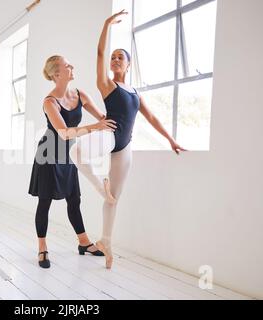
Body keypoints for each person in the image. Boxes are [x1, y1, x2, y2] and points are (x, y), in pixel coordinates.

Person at [69, 10, 187, 269]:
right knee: (76, 152)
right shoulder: (107, 85)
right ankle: (100, 185)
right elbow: (99, 54)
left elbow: (153, 118)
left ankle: (105, 243)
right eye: (113, 57)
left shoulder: (134, 92)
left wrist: (170, 139)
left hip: (125, 147)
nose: (114, 59)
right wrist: (106, 24)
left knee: (113, 199)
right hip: (110, 135)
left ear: (129, 63)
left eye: (120, 57)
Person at [28, 55, 117, 268]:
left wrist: (116, 115)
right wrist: (96, 127)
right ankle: (42, 248)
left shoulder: (79, 95)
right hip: (49, 155)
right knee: (45, 202)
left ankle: (83, 243)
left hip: (68, 155)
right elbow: (65, 133)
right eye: (68, 65)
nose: (72, 66)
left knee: (74, 198)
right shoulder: (49, 102)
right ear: (56, 74)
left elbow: (103, 119)